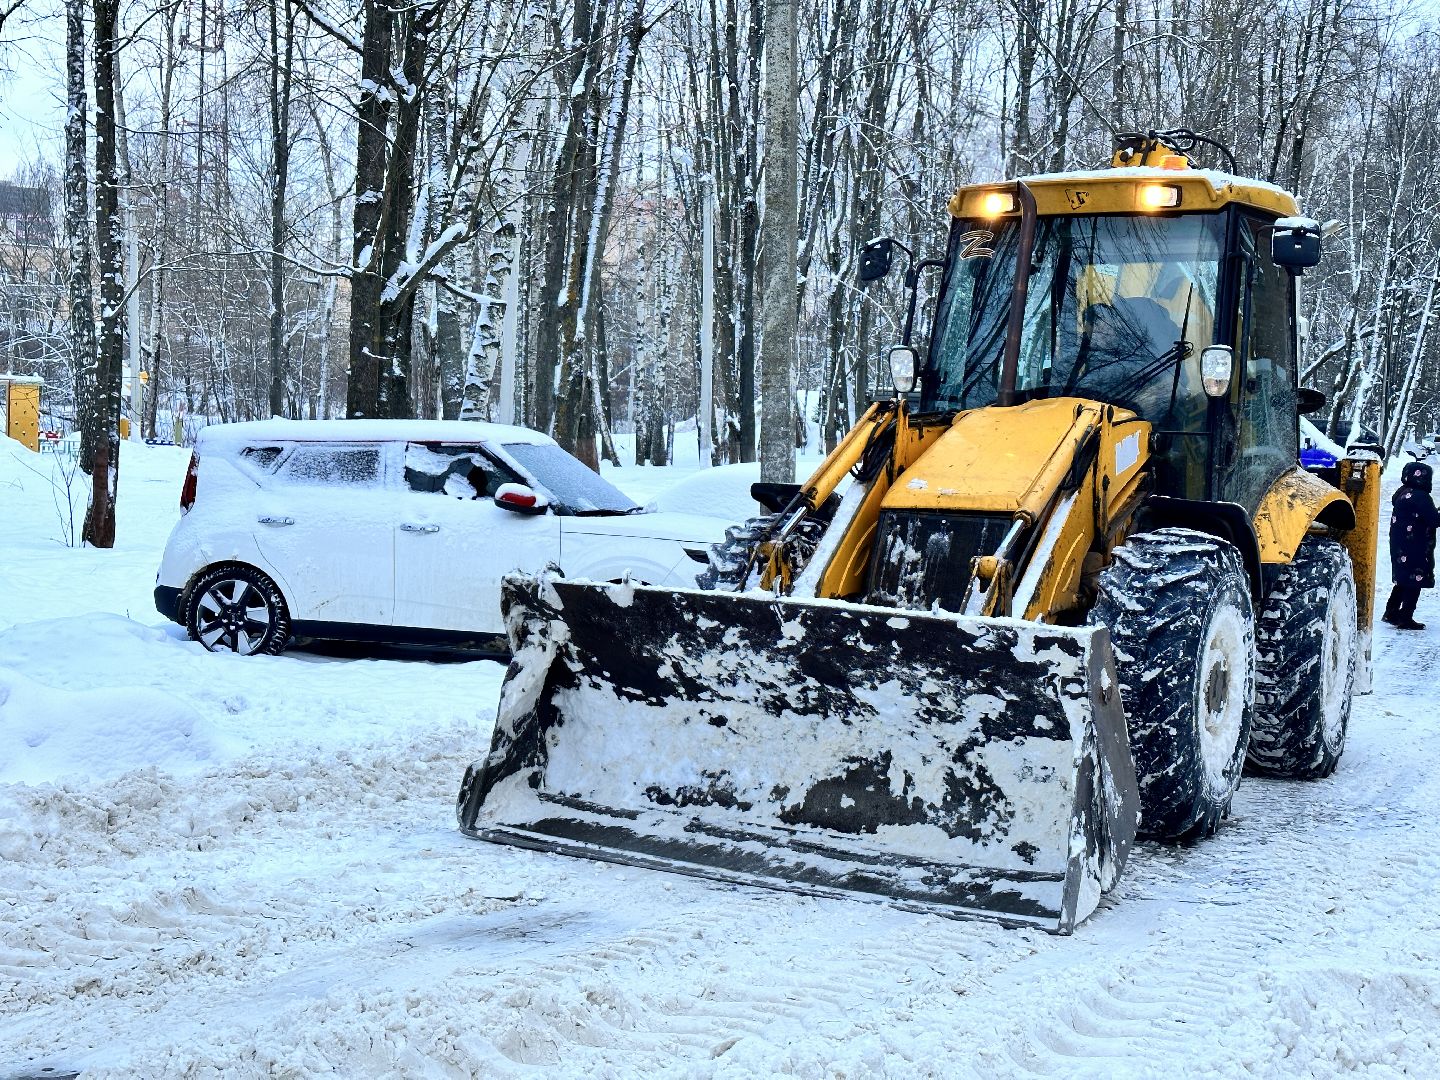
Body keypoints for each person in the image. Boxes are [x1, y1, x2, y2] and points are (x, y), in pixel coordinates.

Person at [1383, 461, 1440, 631]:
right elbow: (1434, 520)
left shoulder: (1403, 492)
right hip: (1416, 545)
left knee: (1404, 578)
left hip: (1401, 544)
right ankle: (1406, 617)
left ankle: (1391, 612)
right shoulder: (1421, 496)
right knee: (1415, 579)